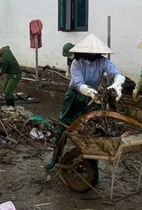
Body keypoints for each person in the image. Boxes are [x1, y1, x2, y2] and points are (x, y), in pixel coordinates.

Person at [45, 33, 125, 170]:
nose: (94, 55)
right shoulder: (77, 63)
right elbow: (78, 83)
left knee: (93, 129)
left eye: (96, 52)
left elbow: (117, 74)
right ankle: (55, 157)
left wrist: (116, 85)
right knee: (64, 125)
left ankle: (92, 162)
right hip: (75, 96)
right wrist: (90, 92)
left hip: (95, 99)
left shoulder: (103, 61)